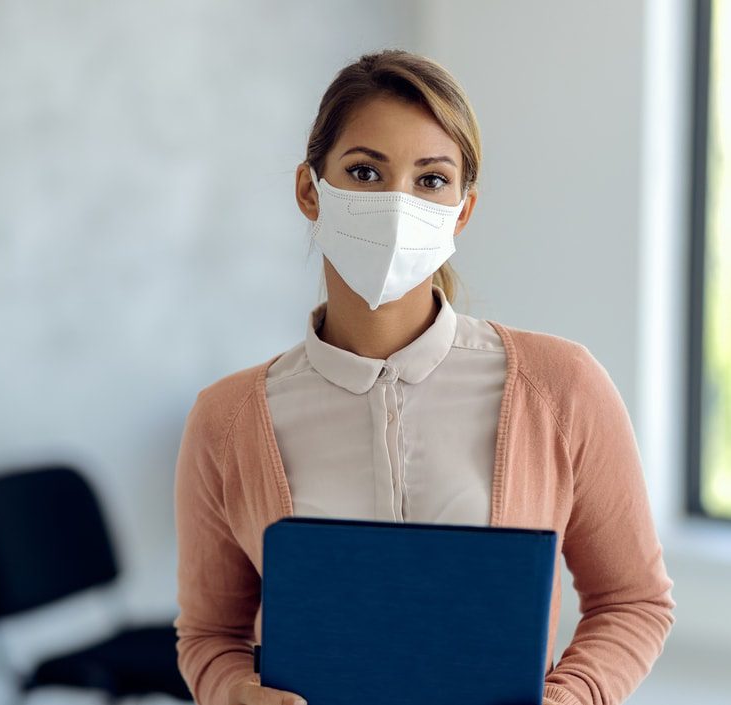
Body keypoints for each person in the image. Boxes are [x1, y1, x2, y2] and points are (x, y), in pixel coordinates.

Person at [171, 49, 675, 705]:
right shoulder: (228, 418)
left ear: (461, 211)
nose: (397, 204)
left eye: (431, 180)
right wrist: (231, 691)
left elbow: (633, 601)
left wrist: (570, 697)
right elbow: (209, 632)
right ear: (309, 190)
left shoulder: (561, 387)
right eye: (365, 171)